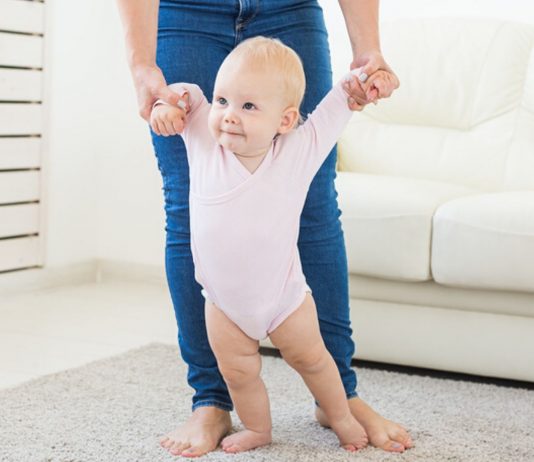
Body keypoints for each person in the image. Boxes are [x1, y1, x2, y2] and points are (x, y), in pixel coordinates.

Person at [116, 0, 413, 457]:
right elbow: (184, 102)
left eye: (246, 106)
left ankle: (340, 401)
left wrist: (365, 66)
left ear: (286, 121)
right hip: (184, 12)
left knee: (317, 215)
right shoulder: (202, 136)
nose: (229, 114)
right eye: (221, 102)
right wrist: (152, 84)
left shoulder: (300, 146)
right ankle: (214, 403)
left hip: (288, 10)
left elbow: (336, 109)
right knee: (183, 209)